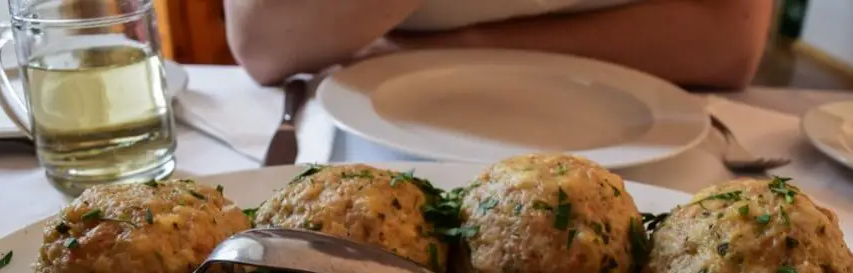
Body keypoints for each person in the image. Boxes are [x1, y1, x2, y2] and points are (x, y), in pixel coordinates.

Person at [224, 0, 775, 90]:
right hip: (369, 115)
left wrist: (466, 44)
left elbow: (727, 38)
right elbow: (264, 41)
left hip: (651, 137)